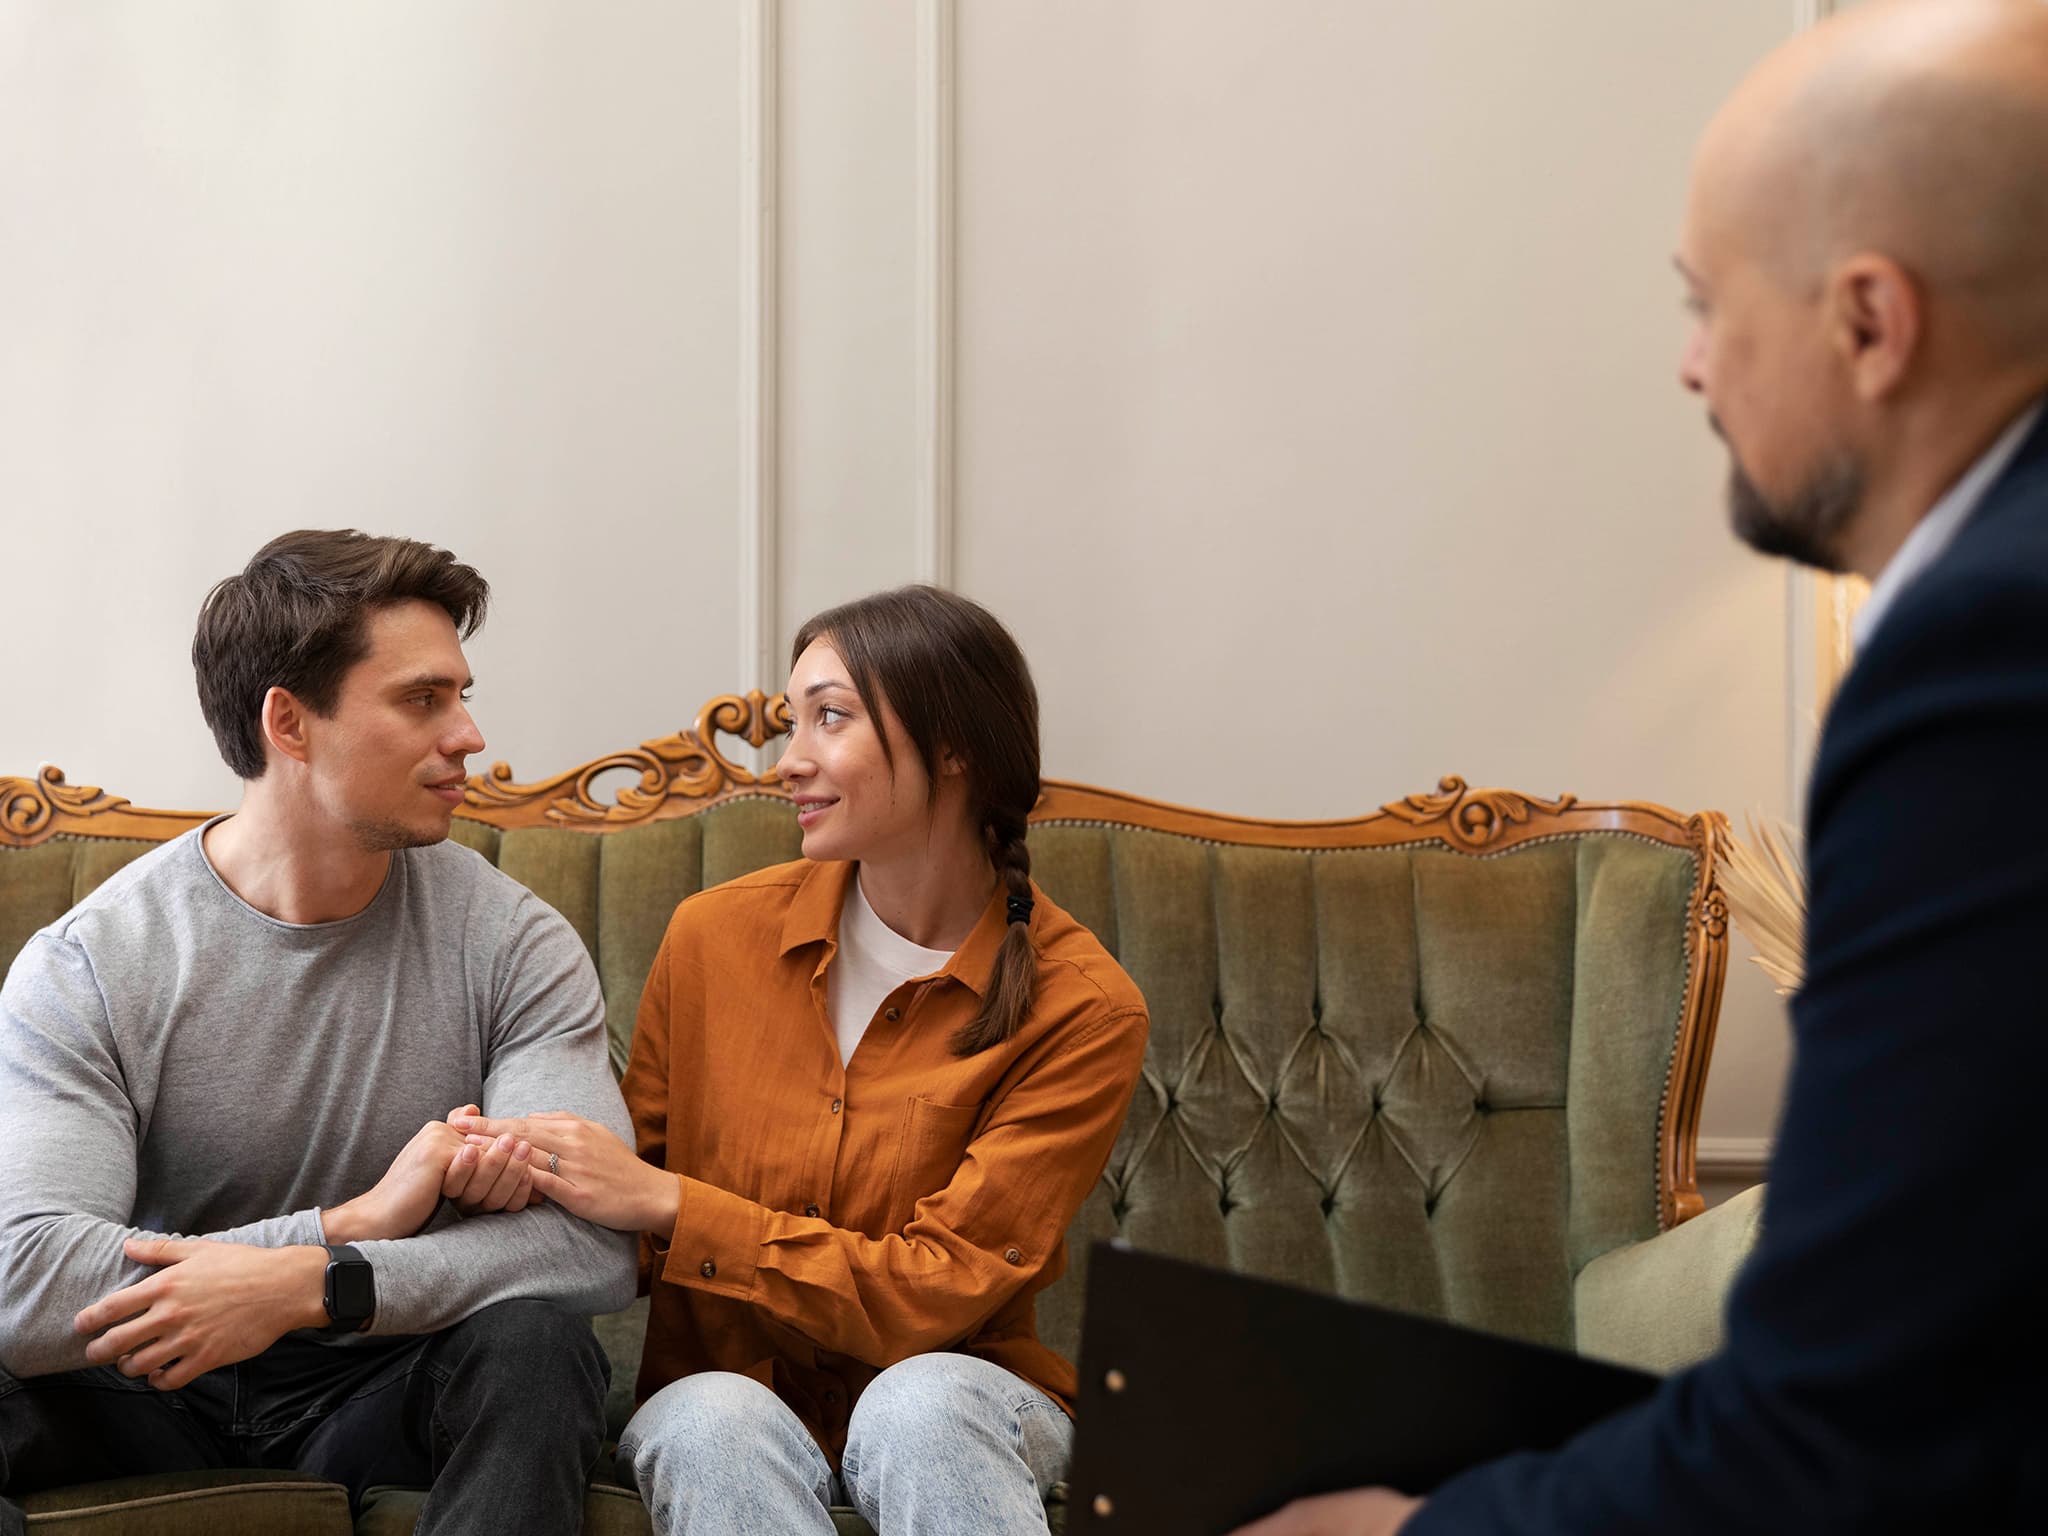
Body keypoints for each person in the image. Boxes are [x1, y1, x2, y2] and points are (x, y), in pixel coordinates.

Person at [1231, 1, 2048, 1531]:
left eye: (1707, 304)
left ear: (1870, 323)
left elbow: (1851, 1421)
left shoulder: (1988, 651)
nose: (1689, 370)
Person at [454, 584, 1151, 1534]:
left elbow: (937, 1291)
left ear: (955, 748)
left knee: (922, 1403)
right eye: (794, 722)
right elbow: (625, 1206)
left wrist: (673, 1204)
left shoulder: (1082, 1006)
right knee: (710, 1417)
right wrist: (503, 1171)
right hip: (725, 1394)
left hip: (964, 1398)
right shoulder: (713, 938)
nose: (792, 762)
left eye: (831, 718)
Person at [0, 530, 638, 1534]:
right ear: (289, 723)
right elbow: (27, 1280)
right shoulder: (92, 962)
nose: (469, 735)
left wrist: (320, 1286)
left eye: (463, 695)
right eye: (423, 699)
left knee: (536, 1350)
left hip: (377, 1385)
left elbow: (590, 1245)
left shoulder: (512, 941)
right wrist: (336, 1230)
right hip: (144, 1390)